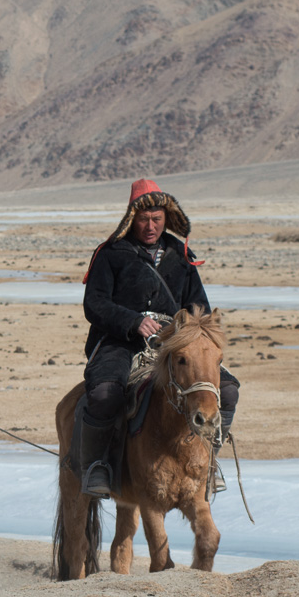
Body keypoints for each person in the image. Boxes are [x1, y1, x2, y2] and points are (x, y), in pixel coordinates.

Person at [78, 178, 239, 497]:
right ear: (131, 218)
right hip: (120, 340)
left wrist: (184, 330)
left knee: (229, 390)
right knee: (104, 394)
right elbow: (94, 304)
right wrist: (132, 321)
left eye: (156, 219)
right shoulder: (111, 254)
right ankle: (98, 465)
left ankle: (209, 460)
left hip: (173, 344)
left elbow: (199, 307)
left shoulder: (182, 255)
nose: (150, 226)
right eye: (143, 219)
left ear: (167, 219)